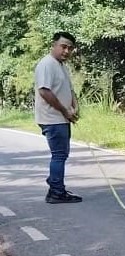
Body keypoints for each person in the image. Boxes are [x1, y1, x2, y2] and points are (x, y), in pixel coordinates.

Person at [35, 31, 81, 204]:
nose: (66, 51)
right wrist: (64, 110)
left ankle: (55, 186)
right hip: (52, 118)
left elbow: (69, 90)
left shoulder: (61, 65)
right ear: (53, 45)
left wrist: (75, 107)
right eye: (63, 46)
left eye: (70, 48)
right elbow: (44, 91)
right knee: (59, 155)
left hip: (61, 117)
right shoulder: (47, 64)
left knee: (61, 154)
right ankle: (56, 192)